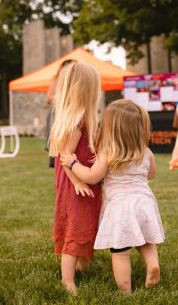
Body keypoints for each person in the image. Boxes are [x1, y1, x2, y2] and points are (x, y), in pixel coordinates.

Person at [60, 99, 165, 294]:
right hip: (144, 202)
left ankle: (125, 291)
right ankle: (152, 264)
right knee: (148, 240)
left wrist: (73, 163)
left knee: (120, 252)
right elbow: (151, 174)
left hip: (120, 208)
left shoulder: (108, 153)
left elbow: (91, 177)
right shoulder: (145, 151)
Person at [49, 62, 102, 296]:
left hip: (84, 178)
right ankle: (67, 279)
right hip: (75, 181)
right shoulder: (78, 121)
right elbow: (65, 156)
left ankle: (82, 264)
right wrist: (78, 182)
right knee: (76, 223)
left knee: (85, 219)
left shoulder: (85, 118)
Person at [46, 59, 76, 168]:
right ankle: (56, 162)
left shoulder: (75, 82)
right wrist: (63, 98)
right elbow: (48, 98)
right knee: (58, 141)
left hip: (69, 113)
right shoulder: (56, 80)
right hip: (57, 113)